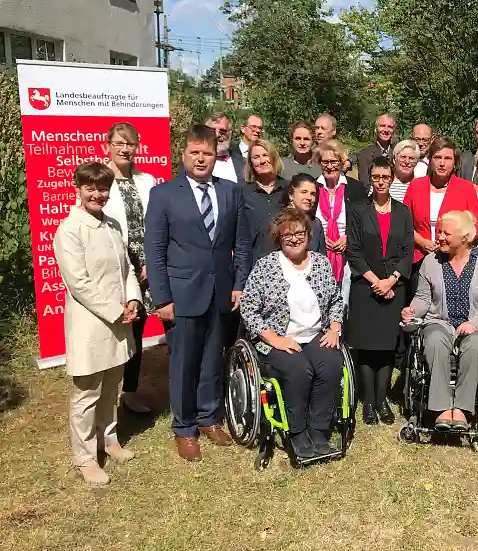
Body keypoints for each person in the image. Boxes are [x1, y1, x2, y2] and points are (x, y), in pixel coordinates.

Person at [145, 124, 252, 461]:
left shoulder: (231, 191)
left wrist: (239, 283)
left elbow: (241, 243)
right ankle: (184, 427)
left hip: (221, 292)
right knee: (183, 364)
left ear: (215, 156)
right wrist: (162, 298)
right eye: (195, 152)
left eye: (207, 153)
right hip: (182, 294)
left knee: (211, 361)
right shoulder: (164, 195)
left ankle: (208, 418)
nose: (201, 159)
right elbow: (155, 250)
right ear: (183, 155)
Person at [54, 161, 143, 485]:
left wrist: (133, 299)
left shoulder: (113, 225)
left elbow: (127, 269)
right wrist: (116, 311)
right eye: (90, 188)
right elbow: (79, 284)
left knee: (110, 388)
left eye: (103, 189)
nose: (97, 194)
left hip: (118, 321)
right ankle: (85, 457)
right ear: (78, 188)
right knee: (87, 394)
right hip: (91, 324)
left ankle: (109, 440)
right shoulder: (69, 229)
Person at [239, 209, 345, 458]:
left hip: (316, 334)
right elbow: (249, 308)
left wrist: (335, 327)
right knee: (299, 370)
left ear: (308, 234)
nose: (295, 239)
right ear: (279, 239)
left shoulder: (321, 263)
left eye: (300, 233)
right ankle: (297, 432)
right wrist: (275, 339)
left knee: (331, 364)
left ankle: (318, 430)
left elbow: (335, 300)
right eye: (288, 235)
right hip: (279, 337)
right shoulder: (266, 266)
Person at [401, 211, 478, 430]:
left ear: (464, 238)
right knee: (434, 340)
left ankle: (463, 409)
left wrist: (474, 323)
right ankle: (442, 408)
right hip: (439, 322)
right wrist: (412, 310)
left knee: (476, 346)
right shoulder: (431, 261)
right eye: (439, 232)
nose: (440, 237)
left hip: (474, 324)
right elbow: (423, 298)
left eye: (446, 233)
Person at [346, 157, 414, 425]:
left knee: (386, 346)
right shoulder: (357, 210)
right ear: (370, 179)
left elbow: (407, 251)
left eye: (385, 177)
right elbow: (353, 250)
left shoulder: (403, 211)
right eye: (376, 177)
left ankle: (382, 399)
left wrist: (391, 280)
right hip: (366, 286)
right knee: (366, 345)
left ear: (392, 179)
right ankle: (368, 402)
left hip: (394, 287)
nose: (381, 182)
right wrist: (376, 281)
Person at [103, 122, 156, 415]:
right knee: (113, 334)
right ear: (108, 146)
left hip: (145, 268)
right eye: (119, 143)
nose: (125, 149)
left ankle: (130, 393)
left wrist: (150, 261)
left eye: (130, 144)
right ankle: (106, 397)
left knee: (136, 332)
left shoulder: (147, 181)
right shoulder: (99, 179)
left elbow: (155, 224)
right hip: (115, 268)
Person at [403, 136, 478, 267]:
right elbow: (404, 223)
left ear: (455, 162)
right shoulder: (416, 186)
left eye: (447, 158)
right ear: (430, 160)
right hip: (419, 257)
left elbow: (476, 226)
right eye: (437, 157)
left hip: (454, 259)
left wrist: (452, 244)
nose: (442, 163)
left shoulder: (466, 188)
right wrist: (422, 242)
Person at [314, 139, 367, 305]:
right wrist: (319, 237)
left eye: (334, 161)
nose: (329, 166)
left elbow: (364, 221)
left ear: (342, 163)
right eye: (325, 162)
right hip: (318, 253)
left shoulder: (356, 188)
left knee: (344, 300)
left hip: (347, 256)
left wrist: (348, 238)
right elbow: (304, 220)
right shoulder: (312, 187)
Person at [240, 138, 290, 261]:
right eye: (256, 157)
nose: (262, 161)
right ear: (251, 163)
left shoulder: (289, 189)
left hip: (287, 260)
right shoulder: (242, 192)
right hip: (254, 261)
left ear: (274, 157)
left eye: (265, 155)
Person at [284, 173, 327, 255]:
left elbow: (322, 256)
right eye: (304, 192)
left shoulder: (316, 223)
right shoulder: (279, 222)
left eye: (313, 194)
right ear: (291, 195)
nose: (309, 198)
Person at [357, 114, 397, 189]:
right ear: (376, 129)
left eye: (390, 127)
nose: (386, 130)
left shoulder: (398, 152)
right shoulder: (365, 154)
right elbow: (364, 184)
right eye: (382, 126)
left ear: (394, 131)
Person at [206, 111, 244, 183]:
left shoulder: (245, 164)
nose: (217, 135)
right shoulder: (194, 163)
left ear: (230, 133)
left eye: (222, 131)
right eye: (212, 131)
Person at [390, 139, 420, 203]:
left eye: (411, 158)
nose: (407, 162)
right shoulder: (383, 182)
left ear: (417, 162)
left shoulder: (420, 186)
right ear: (394, 159)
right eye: (403, 157)